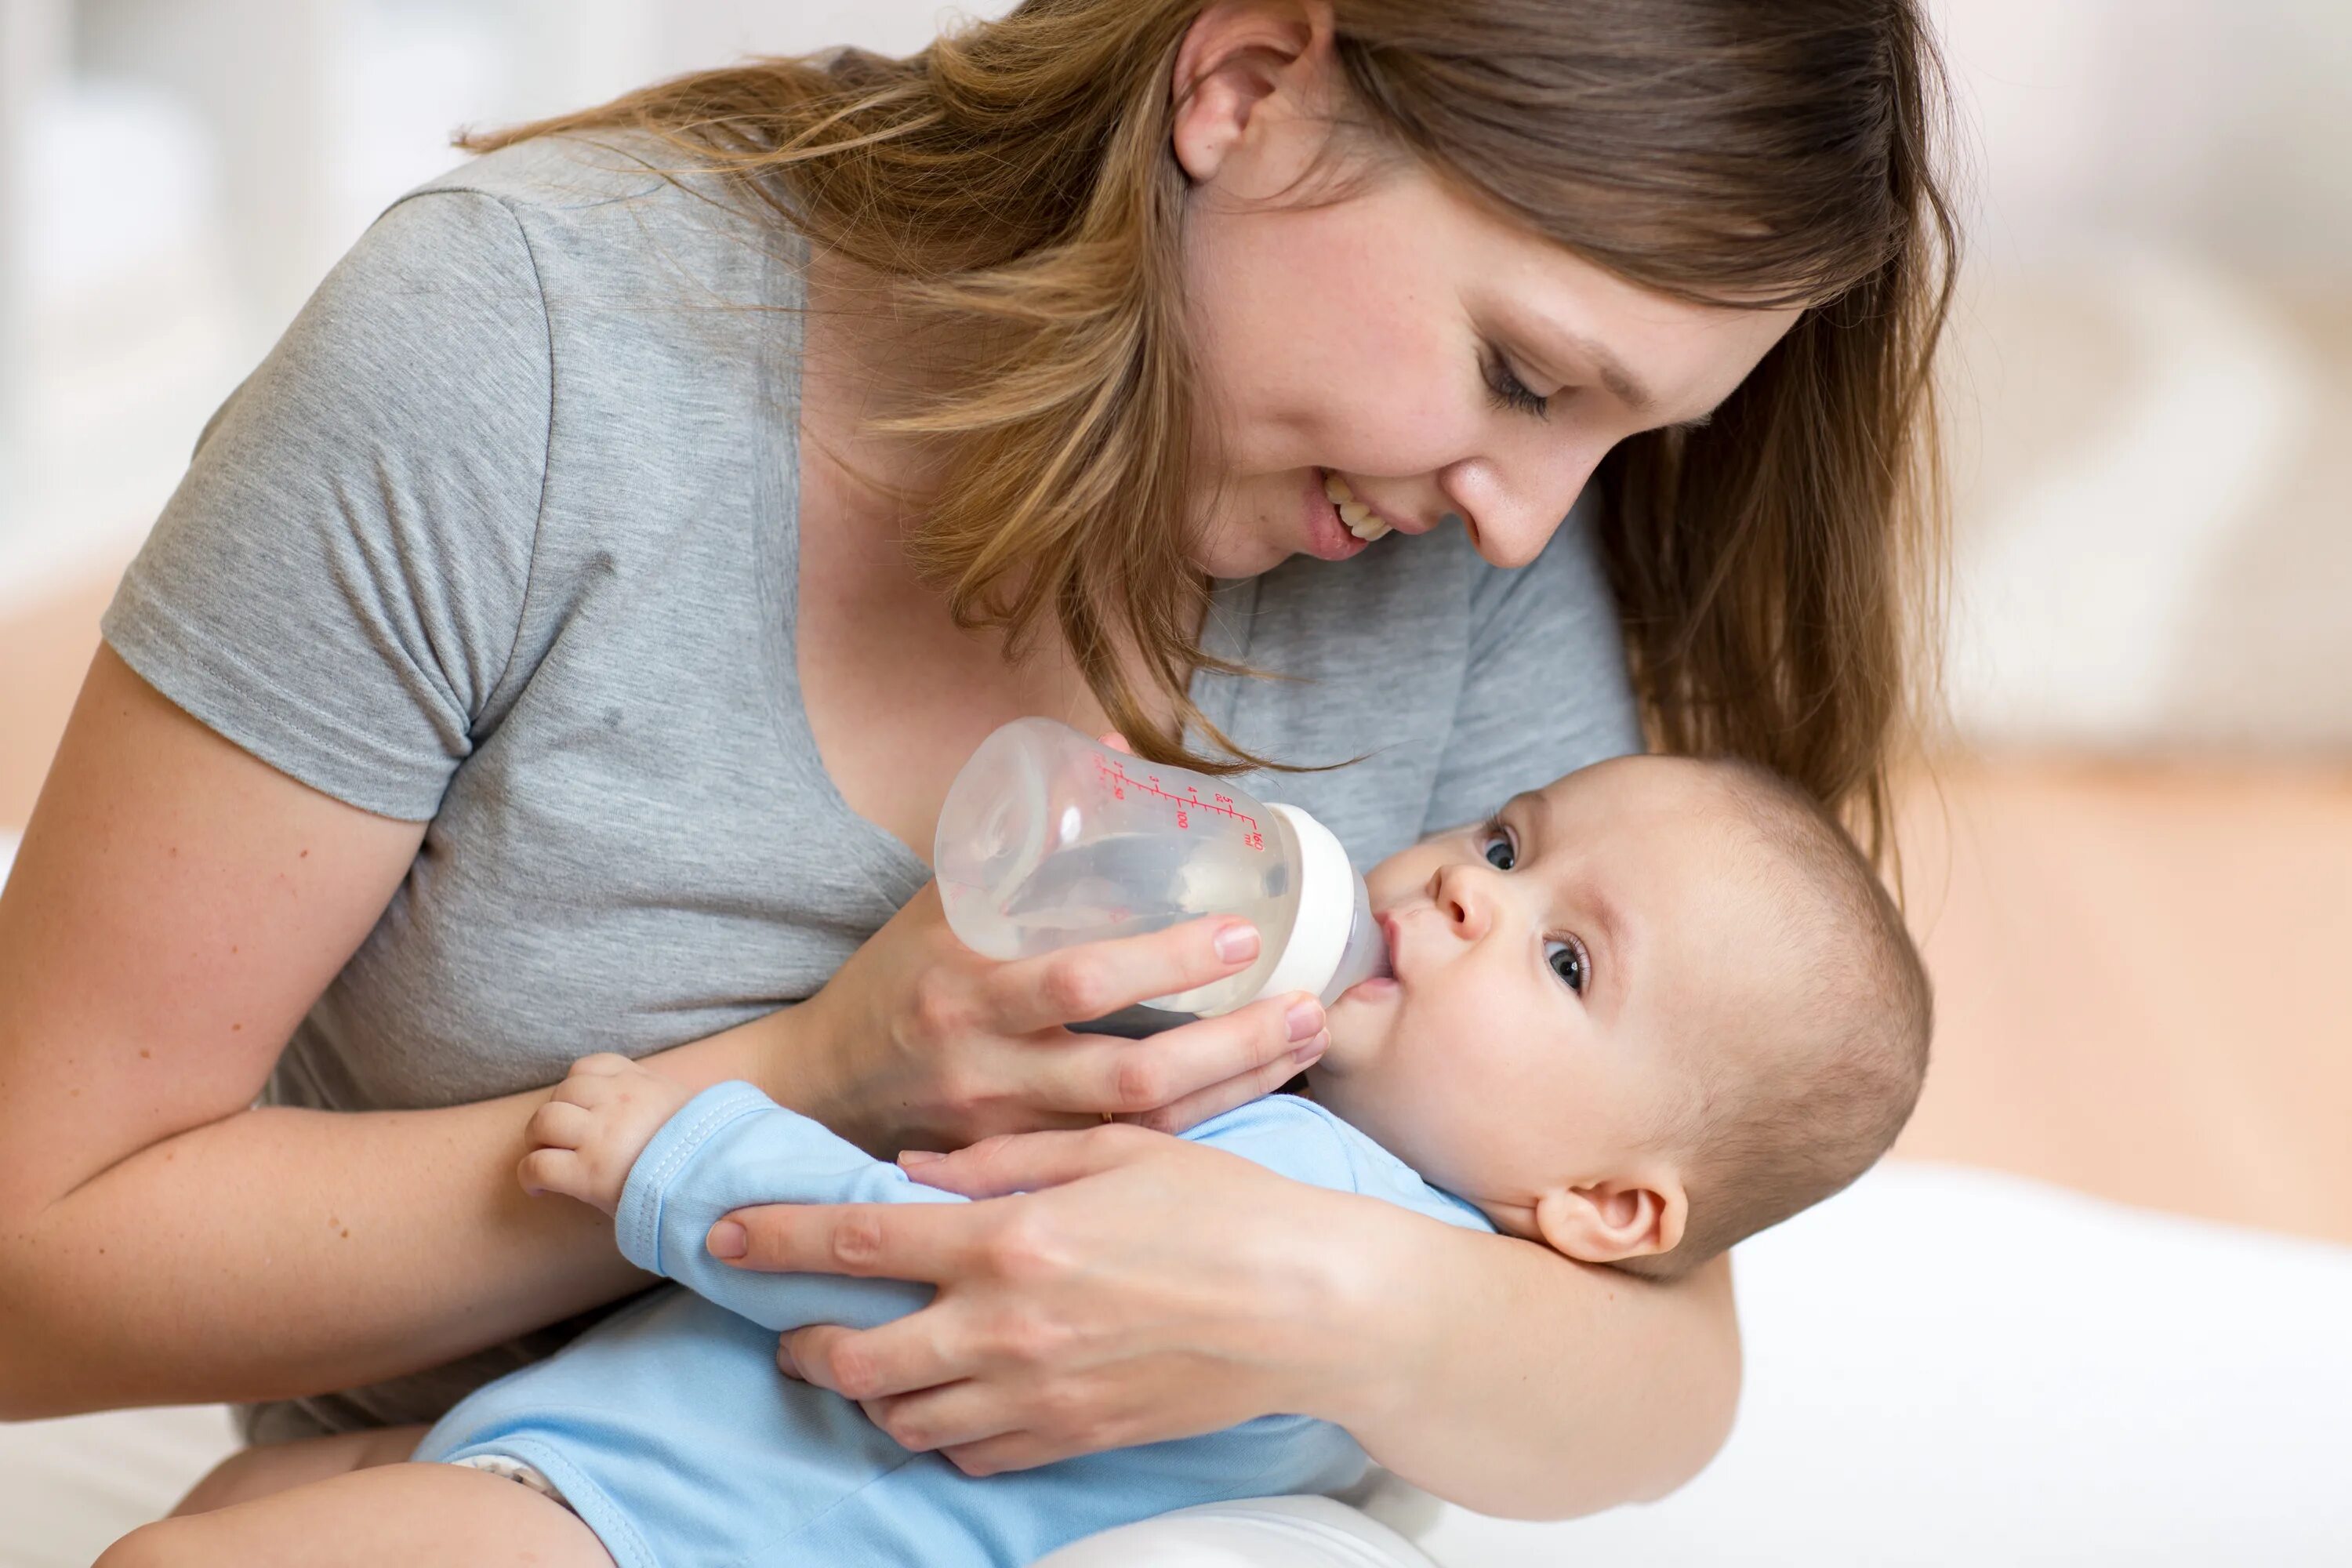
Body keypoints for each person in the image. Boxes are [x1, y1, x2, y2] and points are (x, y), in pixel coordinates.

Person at [0, 0, 1955, 1556]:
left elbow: (1655, 1349)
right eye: (1526, 378)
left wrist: (1326, 1301)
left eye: (1619, 436)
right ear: (1252, 79)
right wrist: (807, 1079)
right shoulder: (524, 360)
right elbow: (26, 1268)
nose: (1530, 522)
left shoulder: (1444, 544)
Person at [97, 753, 1933, 1567]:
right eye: (1516, 838)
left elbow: (923, 1262)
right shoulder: (1299, 1129)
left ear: (1610, 1206)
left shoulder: (1332, 1217)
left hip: (667, 1533)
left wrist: (683, 1150)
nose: (1469, 880)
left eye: (1560, 956)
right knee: (228, 1516)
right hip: (590, 1455)